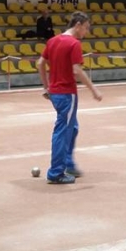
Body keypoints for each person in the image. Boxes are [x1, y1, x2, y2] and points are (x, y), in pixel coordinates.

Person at [36, 11, 102, 185]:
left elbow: (40, 63)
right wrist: (93, 89)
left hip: (55, 93)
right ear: (78, 25)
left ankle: (68, 164)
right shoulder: (74, 43)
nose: (86, 32)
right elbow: (76, 70)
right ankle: (56, 172)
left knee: (72, 127)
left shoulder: (53, 41)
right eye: (85, 28)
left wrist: (46, 87)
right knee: (63, 131)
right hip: (66, 93)